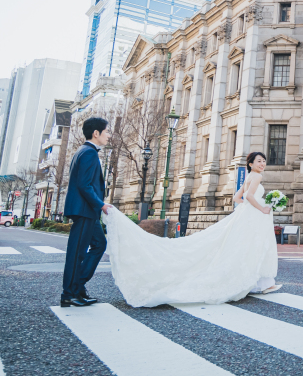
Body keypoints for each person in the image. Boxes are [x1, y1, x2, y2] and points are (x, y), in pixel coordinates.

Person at [102, 151, 281, 307]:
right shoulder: (257, 177)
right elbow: (249, 196)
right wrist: (263, 208)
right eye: (259, 161)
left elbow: (237, 198)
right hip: (253, 217)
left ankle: (260, 282)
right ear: (250, 164)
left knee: (242, 246)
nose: (262, 164)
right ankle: (261, 283)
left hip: (245, 216)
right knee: (253, 246)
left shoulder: (249, 177)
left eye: (264, 161)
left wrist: (248, 207)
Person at [60, 117, 113, 308]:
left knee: (99, 244)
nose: (109, 135)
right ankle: (69, 294)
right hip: (84, 210)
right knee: (77, 253)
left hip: (86, 210)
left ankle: (78, 286)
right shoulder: (89, 153)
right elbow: (85, 185)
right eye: (107, 131)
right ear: (96, 133)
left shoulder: (84, 151)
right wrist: (101, 205)